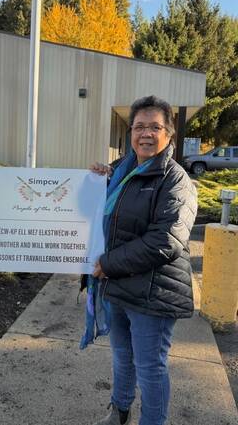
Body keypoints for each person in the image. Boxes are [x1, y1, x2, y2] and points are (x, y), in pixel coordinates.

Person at [88, 95, 197, 425]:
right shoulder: (122, 172)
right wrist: (95, 183)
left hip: (154, 290)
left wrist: (108, 263)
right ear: (130, 132)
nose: (145, 133)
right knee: (122, 357)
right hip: (119, 284)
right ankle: (119, 412)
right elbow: (104, 218)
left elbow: (166, 240)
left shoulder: (175, 180)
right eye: (139, 126)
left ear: (169, 134)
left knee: (150, 366)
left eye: (155, 127)